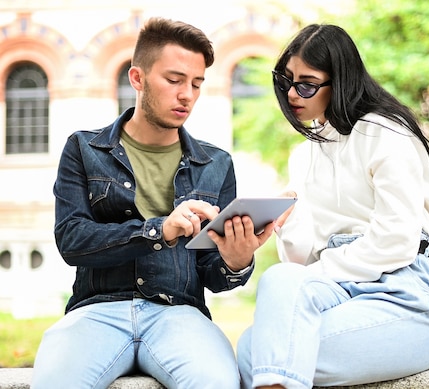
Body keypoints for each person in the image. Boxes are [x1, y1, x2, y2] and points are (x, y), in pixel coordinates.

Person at [31, 17, 273, 389]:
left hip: (179, 315)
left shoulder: (216, 164)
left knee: (216, 382)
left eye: (196, 84)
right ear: (137, 79)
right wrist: (160, 229)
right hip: (96, 311)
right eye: (174, 80)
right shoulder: (84, 149)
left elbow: (213, 273)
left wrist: (237, 261)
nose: (187, 95)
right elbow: (73, 240)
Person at [236, 23, 429, 389]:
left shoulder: (387, 133)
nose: (292, 93)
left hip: (403, 296)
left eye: (306, 83)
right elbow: (302, 264)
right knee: (254, 337)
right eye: (285, 80)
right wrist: (287, 222)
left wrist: (316, 271)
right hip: (338, 291)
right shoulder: (304, 156)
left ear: (340, 81)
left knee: (263, 355)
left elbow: (396, 241)